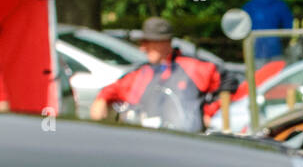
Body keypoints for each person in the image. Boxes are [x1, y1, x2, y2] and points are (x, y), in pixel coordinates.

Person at [89, 17, 230, 132]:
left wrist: (209, 111)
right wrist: (101, 100)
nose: (142, 48)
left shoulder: (193, 67)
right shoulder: (141, 73)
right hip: (146, 141)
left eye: (147, 42)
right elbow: (112, 90)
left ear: (164, 42)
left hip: (184, 139)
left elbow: (229, 83)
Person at [242, 0, 295, 66]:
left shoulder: (251, 3)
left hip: (254, 44)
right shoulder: (280, 4)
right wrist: (286, 42)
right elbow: (288, 27)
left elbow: (241, 23)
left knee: (257, 74)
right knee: (274, 74)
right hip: (274, 45)